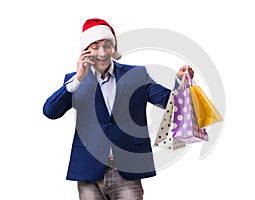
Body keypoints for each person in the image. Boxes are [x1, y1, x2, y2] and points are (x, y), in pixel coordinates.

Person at [43, 18, 194, 200]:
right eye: (95, 46)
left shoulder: (136, 75)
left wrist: (180, 81)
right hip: (89, 168)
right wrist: (77, 79)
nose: (102, 52)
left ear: (113, 48)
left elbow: (169, 102)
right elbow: (50, 111)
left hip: (126, 169)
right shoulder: (75, 80)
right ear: (86, 51)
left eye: (107, 45)